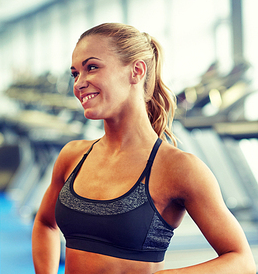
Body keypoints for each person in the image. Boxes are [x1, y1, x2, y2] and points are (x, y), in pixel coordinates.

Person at [32, 23, 255, 273]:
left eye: (91, 67)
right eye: (75, 73)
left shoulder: (178, 167)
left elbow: (241, 260)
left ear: (136, 71)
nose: (79, 83)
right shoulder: (73, 155)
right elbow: (44, 223)